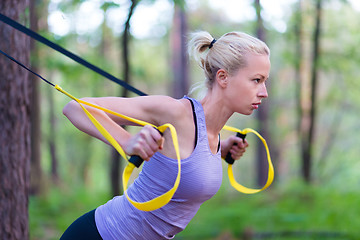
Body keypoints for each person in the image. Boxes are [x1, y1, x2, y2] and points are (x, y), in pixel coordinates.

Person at [60, 30, 270, 240]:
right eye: (256, 80)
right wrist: (127, 141)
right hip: (99, 234)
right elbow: (75, 108)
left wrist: (221, 149)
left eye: (264, 81)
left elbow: (186, 159)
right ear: (223, 77)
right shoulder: (175, 112)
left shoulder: (210, 134)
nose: (264, 92)